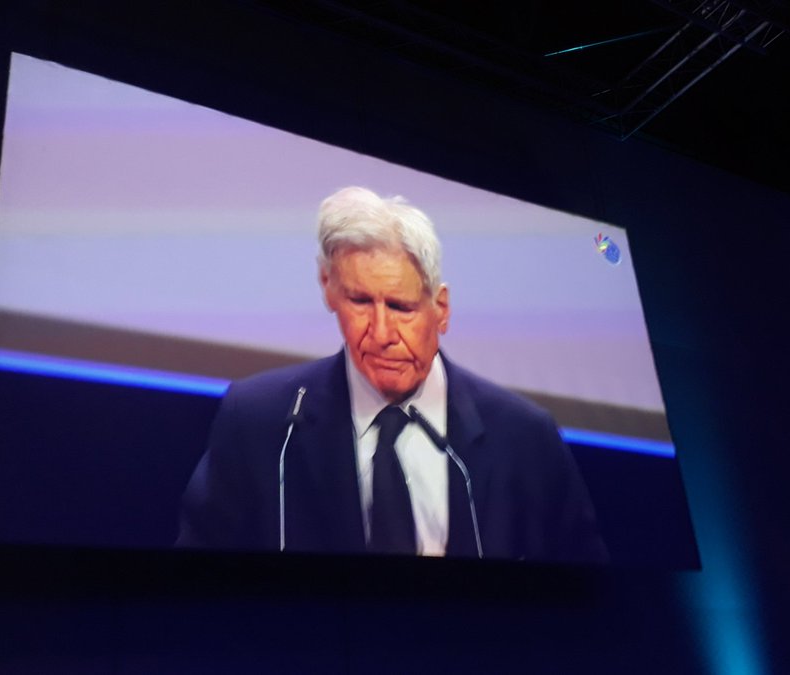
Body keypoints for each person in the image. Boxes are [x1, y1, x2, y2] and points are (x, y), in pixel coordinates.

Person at [177, 187, 607, 563]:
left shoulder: (525, 437)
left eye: (401, 307)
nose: (381, 335)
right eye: (360, 302)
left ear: (441, 308)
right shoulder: (259, 422)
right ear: (328, 288)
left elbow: (586, 598)